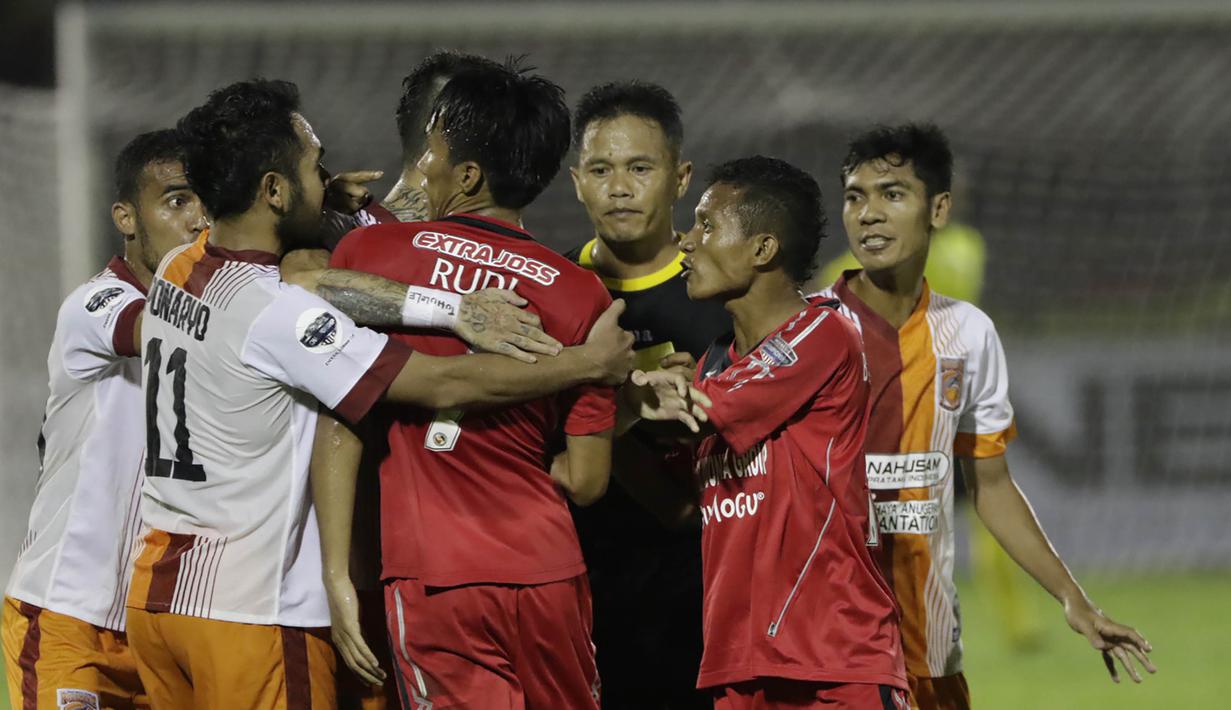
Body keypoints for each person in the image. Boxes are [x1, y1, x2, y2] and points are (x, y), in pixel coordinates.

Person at [124, 78, 633, 710]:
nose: (328, 179)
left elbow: (320, 292)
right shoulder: (580, 292)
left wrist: (348, 217)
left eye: (431, 150)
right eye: (315, 168)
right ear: (274, 190)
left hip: (167, 591)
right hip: (257, 603)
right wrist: (585, 364)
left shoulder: (176, 271)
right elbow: (449, 388)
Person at [308, 59, 707, 710]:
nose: (423, 167)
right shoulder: (580, 295)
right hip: (549, 572)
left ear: (466, 175)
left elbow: (340, 405)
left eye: (433, 152)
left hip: (434, 574)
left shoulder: (370, 258)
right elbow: (586, 482)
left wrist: (337, 571)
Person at [813, 123, 1155, 708]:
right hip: (822, 635)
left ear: (939, 208)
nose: (869, 213)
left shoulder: (970, 332)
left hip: (930, 638)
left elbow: (993, 484)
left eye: (892, 194)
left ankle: (1020, 622)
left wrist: (1074, 598)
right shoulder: (808, 327)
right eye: (854, 197)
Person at [677, 157, 909, 709]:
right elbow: (678, 499)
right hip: (738, 664)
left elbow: (703, 410)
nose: (686, 242)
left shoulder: (823, 330)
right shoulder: (712, 365)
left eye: (706, 225)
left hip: (834, 662)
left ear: (763, 249)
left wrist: (603, 377)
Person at [1, 130, 206, 710]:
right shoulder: (96, 305)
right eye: (176, 201)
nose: (197, 221)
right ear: (126, 217)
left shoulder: (218, 311)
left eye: (209, 203)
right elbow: (156, 329)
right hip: (72, 615)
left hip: (164, 626)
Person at [565, 80, 727, 709]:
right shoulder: (551, 288)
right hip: (582, 588)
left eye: (640, 168)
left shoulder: (727, 293)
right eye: (600, 170)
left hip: (706, 592)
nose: (619, 187)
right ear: (577, 181)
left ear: (681, 178)